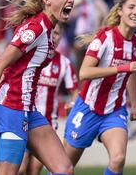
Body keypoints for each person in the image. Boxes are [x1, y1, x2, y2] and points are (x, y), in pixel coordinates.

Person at [0, 0, 75, 175]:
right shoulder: (35, 28)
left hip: (29, 109)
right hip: (11, 107)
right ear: (47, 0)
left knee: (64, 169)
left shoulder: (48, 29)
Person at [63, 0, 136, 175]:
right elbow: (84, 73)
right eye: (131, 7)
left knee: (118, 159)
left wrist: (133, 105)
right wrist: (124, 68)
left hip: (114, 111)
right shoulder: (104, 37)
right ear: (120, 12)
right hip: (87, 109)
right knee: (64, 168)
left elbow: (132, 72)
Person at [18, 24, 79, 175]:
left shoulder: (64, 63)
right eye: (52, 33)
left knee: (34, 169)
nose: (54, 37)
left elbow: (74, 91)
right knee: (19, 169)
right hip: (24, 119)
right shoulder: (30, 57)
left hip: (47, 123)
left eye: (58, 34)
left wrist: (73, 103)